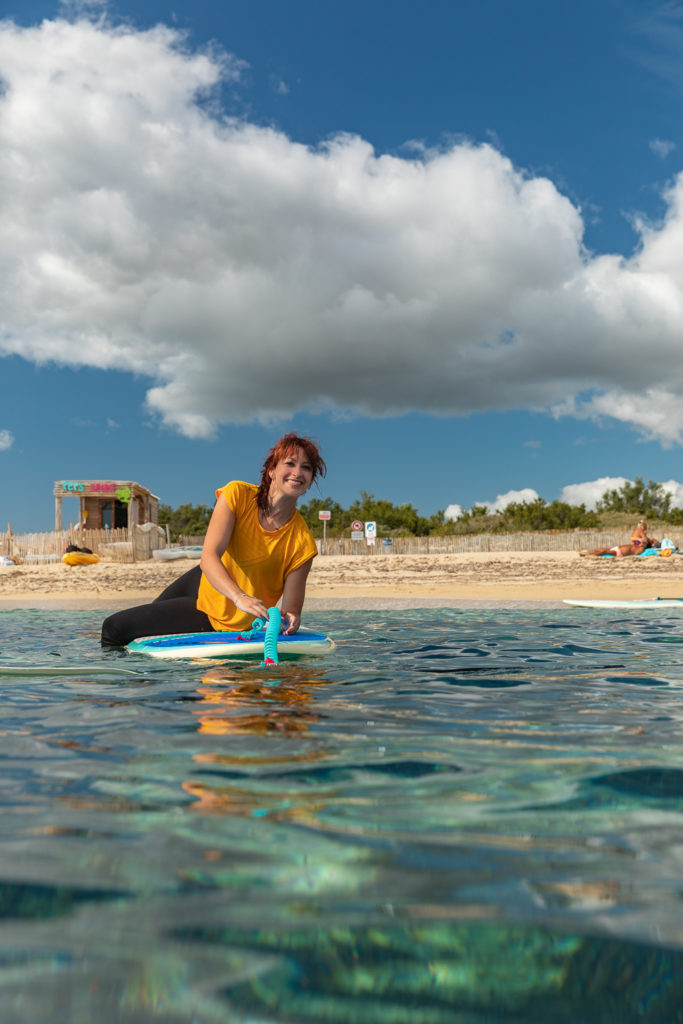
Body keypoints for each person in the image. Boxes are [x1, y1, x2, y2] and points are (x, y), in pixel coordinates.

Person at [101, 433, 325, 648]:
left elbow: (292, 609)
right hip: (203, 579)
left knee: (114, 627)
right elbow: (209, 557)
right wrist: (240, 597)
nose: (297, 472)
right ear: (272, 471)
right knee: (141, 629)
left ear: (310, 479)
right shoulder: (237, 494)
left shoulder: (302, 542)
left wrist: (291, 619)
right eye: (290, 463)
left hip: (220, 616)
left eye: (306, 467)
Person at [578, 519, 658, 558]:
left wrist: (645, 541)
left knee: (604, 550)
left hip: (620, 552)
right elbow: (636, 540)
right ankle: (586, 553)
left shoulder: (640, 547)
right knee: (603, 550)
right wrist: (643, 540)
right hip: (621, 550)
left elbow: (637, 540)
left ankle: (586, 553)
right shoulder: (640, 539)